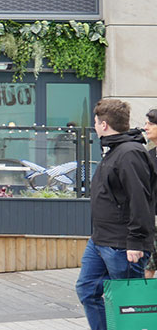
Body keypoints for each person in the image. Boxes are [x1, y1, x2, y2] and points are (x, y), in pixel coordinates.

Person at [75, 99, 157, 330]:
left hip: (122, 244)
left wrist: (135, 242)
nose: (94, 127)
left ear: (103, 125)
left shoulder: (130, 153)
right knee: (87, 289)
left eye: (95, 122)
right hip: (100, 240)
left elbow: (140, 200)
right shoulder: (114, 150)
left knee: (127, 304)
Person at [143, 108, 157, 279]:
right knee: (148, 265)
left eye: (151, 124)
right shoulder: (148, 155)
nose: (146, 127)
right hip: (152, 218)